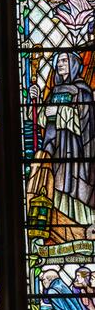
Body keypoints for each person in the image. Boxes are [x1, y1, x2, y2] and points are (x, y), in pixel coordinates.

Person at [29, 51, 95, 224]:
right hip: (56, 147)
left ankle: (82, 228)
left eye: (64, 60)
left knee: (73, 187)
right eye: (58, 61)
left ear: (73, 64)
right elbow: (41, 119)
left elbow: (86, 122)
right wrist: (33, 100)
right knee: (57, 186)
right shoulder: (55, 91)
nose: (60, 64)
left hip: (76, 150)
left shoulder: (83, 92)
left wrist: (59, 112)